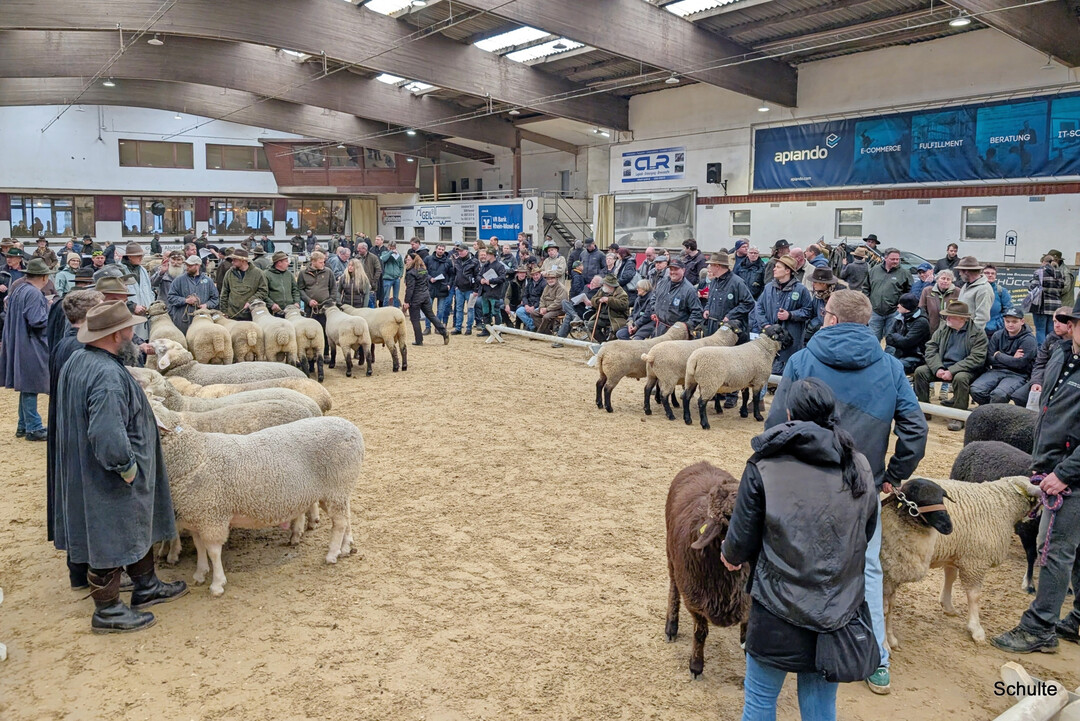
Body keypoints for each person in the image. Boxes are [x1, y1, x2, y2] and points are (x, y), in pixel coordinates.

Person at [767, 290, 928, 694]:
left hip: (803, 485)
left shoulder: (802, 360)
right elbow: (915, 428)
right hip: (863, 485)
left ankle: (791, 650)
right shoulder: (890, 367)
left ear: (833, 319)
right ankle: (877, 661)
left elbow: (775, 424)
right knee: (867, 569)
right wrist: (892, 473)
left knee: (794, 562)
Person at [724, 377, 878, 721]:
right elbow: (865, 531)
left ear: (789, 413)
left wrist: (730, 555)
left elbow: (740, 541)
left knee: (761, 702)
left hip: (776, 608)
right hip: (837, 612)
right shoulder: (860, 467)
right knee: (821, 708)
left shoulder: (764, 464)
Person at [54, 301, 186, 633]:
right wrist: (126, 467)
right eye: (129, 327)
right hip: (109, 475)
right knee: (109, 533)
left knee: (133, 526)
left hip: (92, 466)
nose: (134, 332)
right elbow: (106, 432)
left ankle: (146, 586)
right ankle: (108, 610)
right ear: (116, 334)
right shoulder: (106, 375)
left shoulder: (81, 359)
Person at [991, 306, 1080, 654]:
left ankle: (1039, 627)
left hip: (1070, 476)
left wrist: (1064, 473)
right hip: (1056, 467)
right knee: (1075, 549)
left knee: (1054, 550)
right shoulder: (1061, 355)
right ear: (1071, 327)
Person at [47, 289, 104, 588]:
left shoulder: (65, 345)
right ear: (87, 316)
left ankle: (80, 569)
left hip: (68, 430)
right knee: (83, 500)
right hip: (78, 434)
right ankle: (85, 571)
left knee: (73, 498)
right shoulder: (77, 349)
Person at [913, 300, 989, 430]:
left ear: (963, 319)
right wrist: (938, 368)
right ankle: (924, 409)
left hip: (967, 369)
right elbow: (931, 348)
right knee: (921, 371)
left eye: (951, 316)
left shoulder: (978, 334)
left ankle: (958, 416)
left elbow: (977, 358)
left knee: (961, 378)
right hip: (942, 365)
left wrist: (952, 370)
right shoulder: (944, 328)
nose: (947, 318)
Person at [0, 257, 53, 441]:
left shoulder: (18, 289)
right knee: (31, 385)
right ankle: (33, 427)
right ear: (44, 277)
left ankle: (24, 425)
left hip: (19, 342)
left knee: (26, 386)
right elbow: (37, 320)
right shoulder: (33, 293)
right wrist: (51, 315)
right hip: (30, 343)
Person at [751, 255, 813, 373]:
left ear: (787, 271)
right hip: (770, 338)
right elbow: (759, 307)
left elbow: (808, 311)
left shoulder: (800, 290)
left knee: (788, 371)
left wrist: (790, 315)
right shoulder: (769, 288)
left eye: (778, 267)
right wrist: (765, 325)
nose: (774, 269)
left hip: (791, 340)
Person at [970, 308, 1036, 405]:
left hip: (1018, 375)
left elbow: (1020, 364)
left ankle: (993, 413)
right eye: (1007, 321)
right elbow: (990, 359)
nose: (1010, 324)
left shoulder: (1029, 340)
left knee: (999, 394)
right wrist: (1011, 358)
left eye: (1014, 321)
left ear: (1022, 321)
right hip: (996, 371)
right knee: (976, 389)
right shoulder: (997, 335)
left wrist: (999, 355)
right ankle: (987, 410)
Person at [1010, 306, 1073, 406]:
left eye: (1060, 321)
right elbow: (1040, 363)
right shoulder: (1051, 338)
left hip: (1066, 382)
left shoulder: (1076, 342)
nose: (1056, 325)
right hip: (1045, 378)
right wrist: (1036, 382)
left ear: (1071, 323)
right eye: (1054, 321)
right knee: (1019, 397)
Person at [702, 252, 754, 340]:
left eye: (711, 265)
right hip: (713, 326)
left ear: (717, 266)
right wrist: (707, 308)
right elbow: (711, 299)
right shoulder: (714, 281)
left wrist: (730, 315)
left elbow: (748, 302)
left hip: (731, 330)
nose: (709, 268)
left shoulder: (737, 282)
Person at [298, 250, 338, 359]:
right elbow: (300, 290)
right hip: (310, 308)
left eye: (323, 261)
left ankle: (325, 353)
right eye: (321, 262)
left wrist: (330, 301)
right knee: (311, 331)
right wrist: (308, 300)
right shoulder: (303, 273)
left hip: (325, 307)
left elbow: (333, 288)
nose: (323, 264)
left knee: (325, 330)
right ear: (313, 262)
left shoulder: (328, 272)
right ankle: (313, 354)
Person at [402, 253, 449, 345]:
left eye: (408, 259)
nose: (406, 262)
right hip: (425, 295)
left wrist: (407, 301)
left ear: (413, 260)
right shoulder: (423, 270)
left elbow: (410, 288)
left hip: (416, 298)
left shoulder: (411, 272)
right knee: (431, 315)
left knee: (415, 319)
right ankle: (443, 331)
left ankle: (419, 340)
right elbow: (426, 283)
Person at [650, 258, 703, 338]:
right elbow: (654, 297)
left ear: (683, 270)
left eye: (676, 269)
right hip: (659, 328)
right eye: (671, 269)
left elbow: (697, 312)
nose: (673, 272)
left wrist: (685, 327)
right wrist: (655, 311)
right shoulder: (662, 282)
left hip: (677, 334)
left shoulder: (689, 290)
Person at [167, 255, 220, 333]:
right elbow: (170, 297)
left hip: (202, 319)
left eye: (190, 265)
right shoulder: (179, 280)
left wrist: (206, 305)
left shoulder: (208, 281)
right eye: (187, 265)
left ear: (197, 265)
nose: (187, 267)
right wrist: (185, 300)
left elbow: (215, 298)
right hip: (183, 319)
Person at [867, 247, 911, 340]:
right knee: (872, 339)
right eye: (892, 259)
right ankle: (874, 355)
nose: (895, 261)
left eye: (897, 259)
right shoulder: (874, 270)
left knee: (892, 340)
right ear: (885, 258)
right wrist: (868, 303)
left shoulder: (904, 273)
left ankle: (890, 355)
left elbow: (910, 292)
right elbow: (866, 287)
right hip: (875, 312)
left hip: (894, 313)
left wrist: (903, 305)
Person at [883, 293, 931, 375]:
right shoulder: (899, 318)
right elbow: (888, 338)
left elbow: (906, 343)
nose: (898, 306)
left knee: (893, 368)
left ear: (907, 307)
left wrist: (895, 336)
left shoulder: (921, 322)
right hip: (898, 354)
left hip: (916, 357)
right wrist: (900, 339)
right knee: (881, 365)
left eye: (901, 304)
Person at [552, 275, 604, 348]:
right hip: (577, 307)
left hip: (587, 311)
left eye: (594, 283)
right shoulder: (586, 287)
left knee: (569, 316)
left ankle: (560, 340)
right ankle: (575, 316)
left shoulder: (600, 292)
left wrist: (590, 303)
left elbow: (598, 305)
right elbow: (579, 296)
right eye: (592, 281)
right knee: (564, 302)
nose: (592, 283)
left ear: (599, 285)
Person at [219, 248, 266, 321]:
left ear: (243, 261)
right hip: (233, 316)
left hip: (251, 316)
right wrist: (224, 312)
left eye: (235, 260)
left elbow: (263, 291)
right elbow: (224, 293)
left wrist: (250, 301)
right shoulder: (229, 273)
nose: (232, 262)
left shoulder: (258, 273)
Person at [1030, 253, 1067, 345]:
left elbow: (1032, 288)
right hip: (1055, 306)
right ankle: (1051, 350)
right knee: (1051, 330)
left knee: (1040, 330)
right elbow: (1062, 288)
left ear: (1044, 262)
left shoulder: (1039, 272)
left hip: (1041, 306)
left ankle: (1041, 351)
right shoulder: (1059, 273)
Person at [804, 266, 846, 343]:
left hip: (835, 337)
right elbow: (813, 314)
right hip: (820, 334)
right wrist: (815, 326)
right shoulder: (818, 295)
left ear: (823, 284)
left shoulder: (841, 298)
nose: (813, 284)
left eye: (815, 282)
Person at [121, 242, 155, 336]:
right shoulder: (120, 271)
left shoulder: (143, 270)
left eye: (141, 255)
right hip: (129, 317)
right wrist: (132, 306)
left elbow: (149, 290)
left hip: (146, 316)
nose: (141, 258)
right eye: (138, 256)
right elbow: (115, 298)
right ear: (130, 257)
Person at [584, 274, 629, 342]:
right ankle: (603, 342)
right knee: (591, 325)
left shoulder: (621, 293)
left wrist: (609, 300)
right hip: (602, 317)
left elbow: (623, 305)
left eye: (605, 284)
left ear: (610, 286)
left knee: (615, 330)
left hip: (615, 318)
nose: (603, 285)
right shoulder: (602, 290)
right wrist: (598, 300)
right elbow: (593, 299)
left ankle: (612, 342)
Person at [955, 256, 993, 330]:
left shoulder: (984, 289)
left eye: (960, 271)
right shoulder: (966, 285)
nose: (959, 274)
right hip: (961, 331)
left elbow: (982, 318)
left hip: (971, 335)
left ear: (966, 271)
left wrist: (971, 335)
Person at [475, 247, 506, 337]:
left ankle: (498, 331)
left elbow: (502, 278)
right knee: (486, 312)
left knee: (496, 311)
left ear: (492, 255)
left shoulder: (499, 266)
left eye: (487, 254)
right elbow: (478, 275)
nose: (486, 256)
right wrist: (481, 280)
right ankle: (486, 329)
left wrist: (491, 281)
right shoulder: (485, 265)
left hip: (494, 292)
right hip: (485, 292)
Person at [451, 244, 480, 335]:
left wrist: (476, 289)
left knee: (470, 309)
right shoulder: (457, 261)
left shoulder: (474, 262)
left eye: (461, 251)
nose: (459, 252)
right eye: (458, 251)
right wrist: (455, 285)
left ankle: (469, 328)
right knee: (459, 309)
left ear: (466, 251)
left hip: (470, 289)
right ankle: (458, 327)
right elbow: (455, 274)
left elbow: (477, 276)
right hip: (459, 288)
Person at [529, 270, 569, 335]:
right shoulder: (547, 287)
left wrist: (547, 309)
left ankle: (539, 333)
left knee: (546, 317)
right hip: (547, 308)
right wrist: (542, 307)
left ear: (556, 278)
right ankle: (547, 333)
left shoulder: (561, 288)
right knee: (533, 313)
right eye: (548, 279)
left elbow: (559, 303)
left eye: (552, 278)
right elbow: (542, 298)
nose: (550, 280)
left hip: (559, 309)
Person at [425, 243, 454, 331]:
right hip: (430, 287)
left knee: (440, 309)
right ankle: (427, 327)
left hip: (443, 288)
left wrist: (449, 284)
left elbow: (452, 275)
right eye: (439, 249)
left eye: (442, 249)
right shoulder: (428, 259)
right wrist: (429, 278)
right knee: (428, 309)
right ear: (436, 249)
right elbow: (422, 272)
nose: (440, 251)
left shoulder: (448, 261)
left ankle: (438, 327)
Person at [919, 269, 959, 334]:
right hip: (932, 327)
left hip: (951, 329)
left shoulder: (957, 292)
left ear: (952, 281)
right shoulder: (927, 291)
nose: (945, 281)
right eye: (943, 278)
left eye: (948, 279)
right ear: (937, 279)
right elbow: (921, 308)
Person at [982, 263, 1016, 339]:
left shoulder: (1001, 291)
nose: (990, 275)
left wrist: (999, 324)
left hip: (995, 331)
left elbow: (1009, 310)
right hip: (979, 330)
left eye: (993, 273)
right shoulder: (976, 289)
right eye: (987, 273)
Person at [513, 266, 546, 331]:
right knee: (519, 311)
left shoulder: (544, 283)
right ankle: (532, 326)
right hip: (529, 304)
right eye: (533, 275)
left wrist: (533, 307)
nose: (535, 277)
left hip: (539, 305)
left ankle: (531, 327)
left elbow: (542, 298)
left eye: (536, 274)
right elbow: (524, 295)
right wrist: (526, 305)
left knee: (533, 313)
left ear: (540, 274)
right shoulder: (530, 282)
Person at [379, 241, 404, 308]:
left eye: (393, 248)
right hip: (387, 278)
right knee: (386, 297)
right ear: (388, 247)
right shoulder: (384, 253)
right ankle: (385, 311)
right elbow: (383, 259)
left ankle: (396, 310)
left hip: (396, 278)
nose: (392, 249)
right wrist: (390, 252)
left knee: (396, 297)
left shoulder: (398, 255)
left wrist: (400, 275)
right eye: (391, 248)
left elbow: (401, 266)